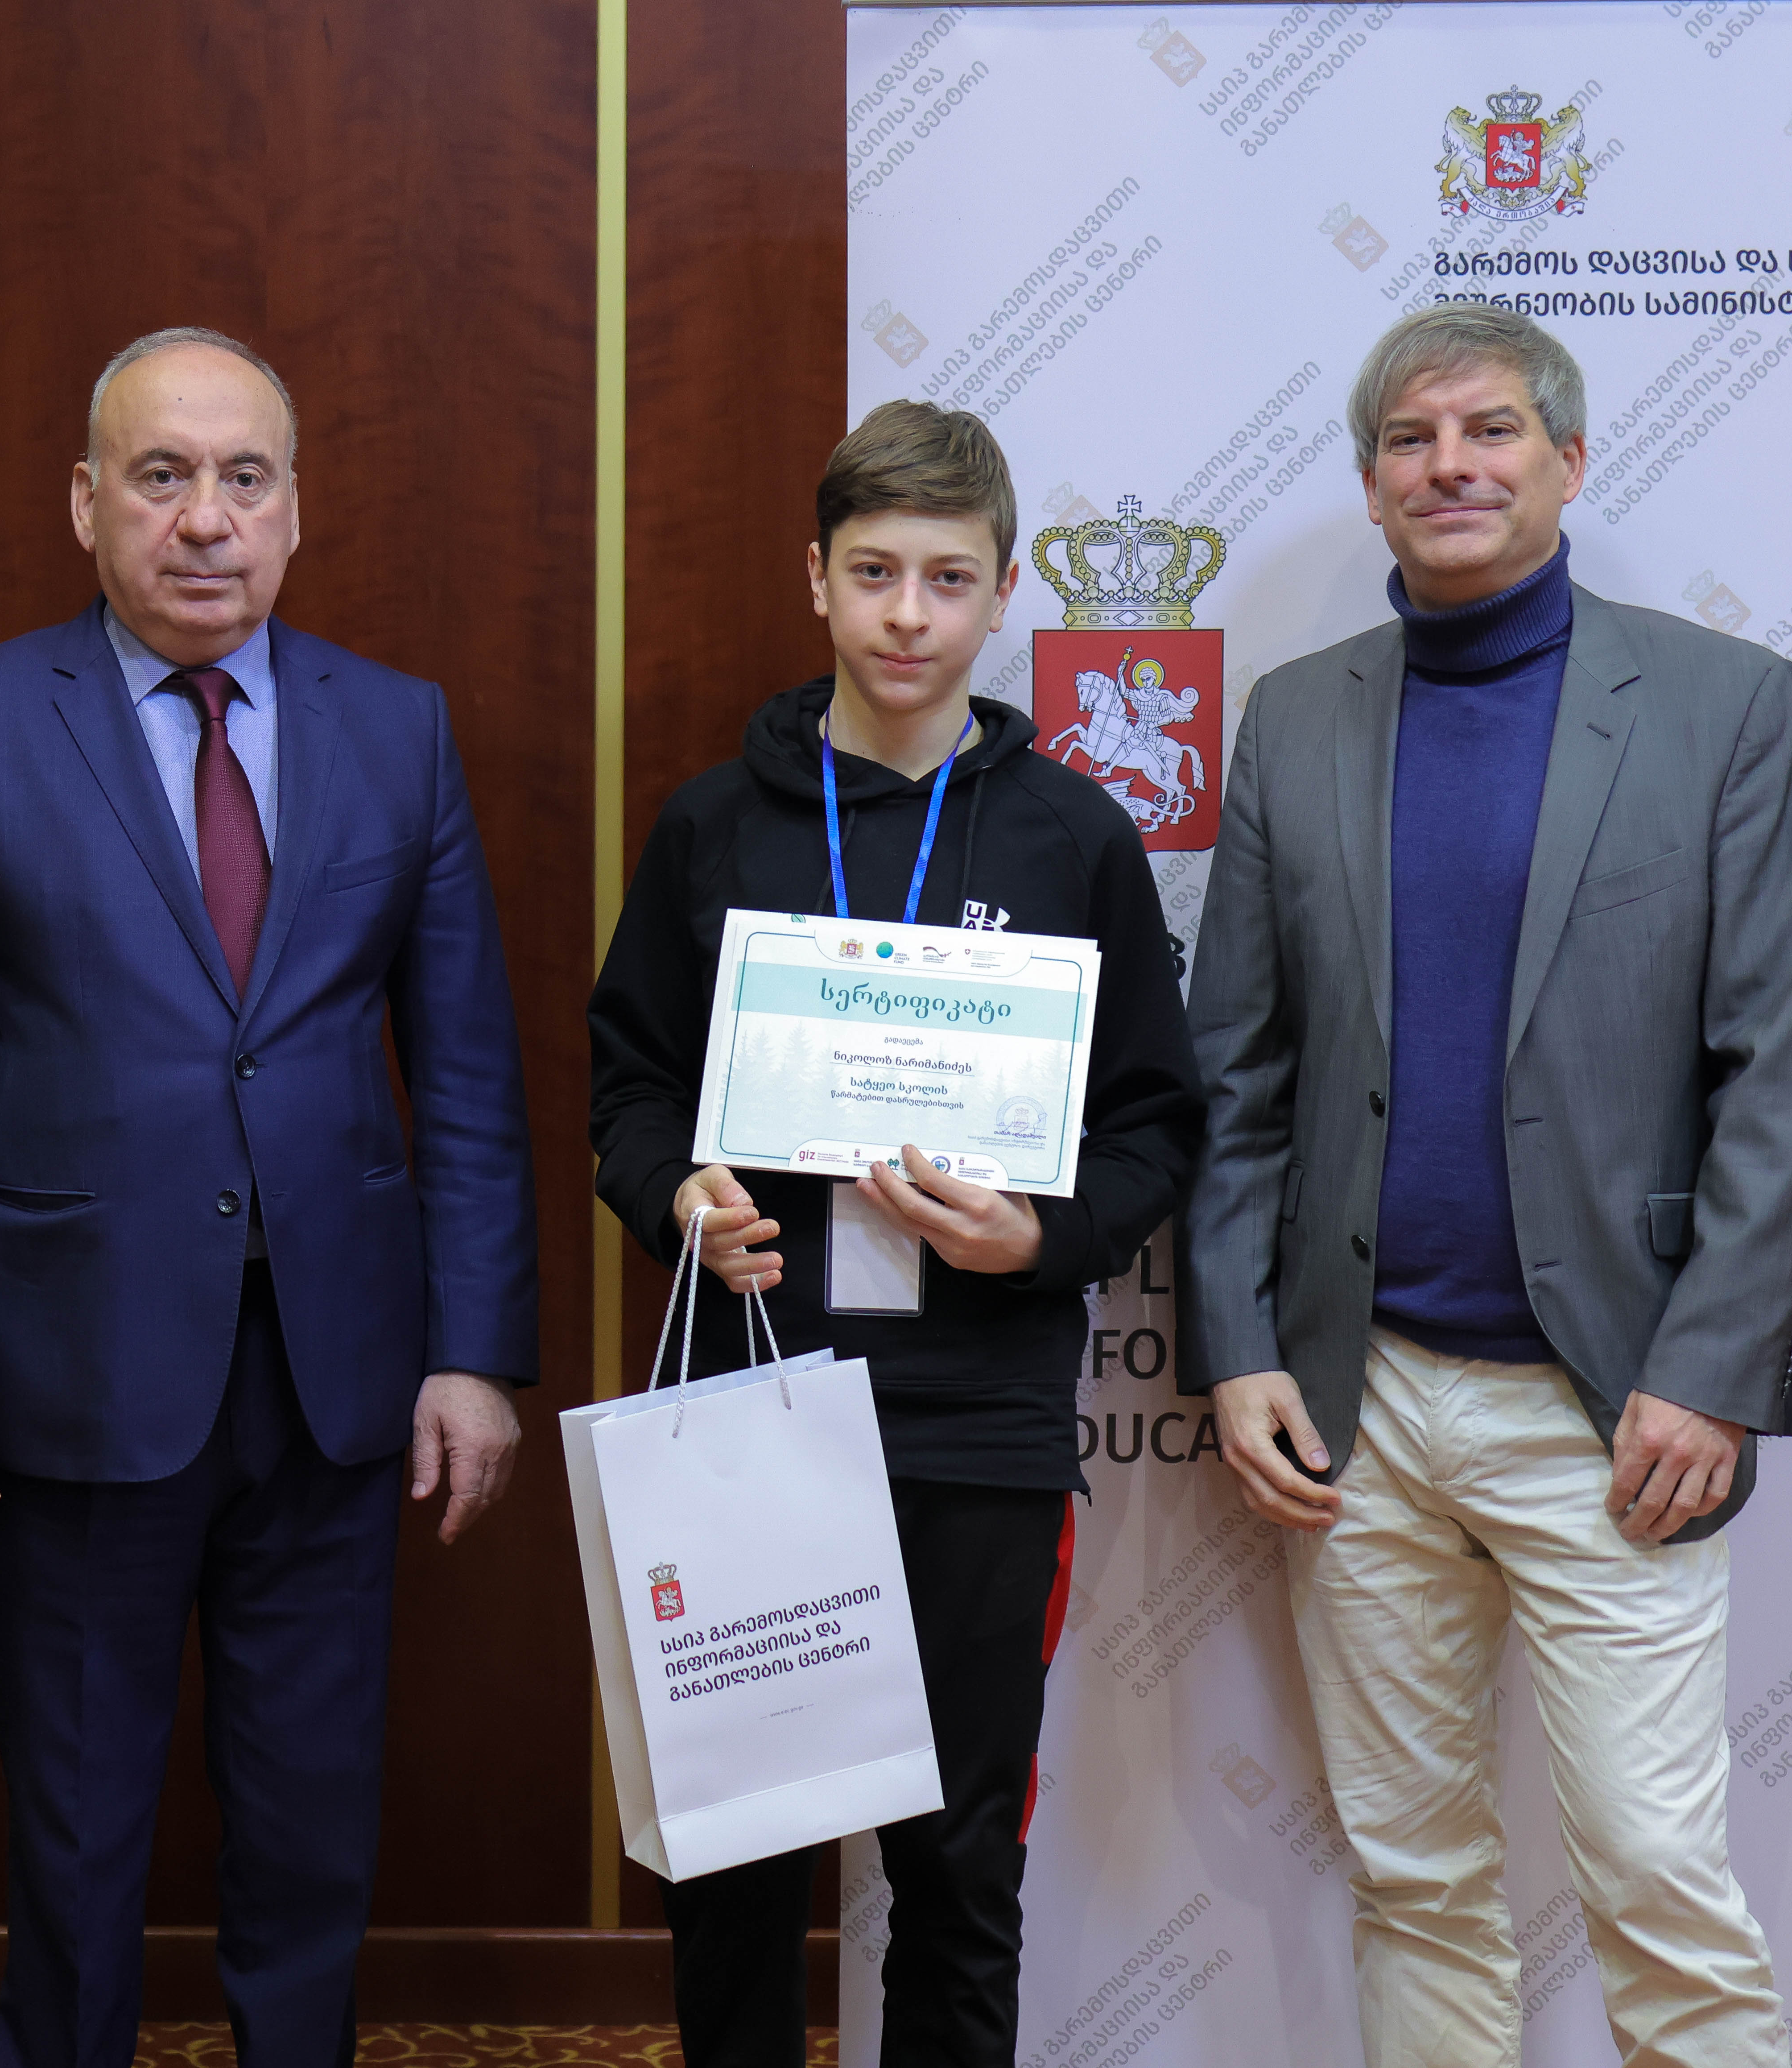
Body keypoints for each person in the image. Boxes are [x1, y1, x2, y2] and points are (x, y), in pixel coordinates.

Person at [0, 327, 541, 2065]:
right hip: (69, 1378)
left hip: (332, 1379)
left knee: (310, 1827)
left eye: (243, 478)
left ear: (296, 508)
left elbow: (464, 1069)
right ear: (87, 504)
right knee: (75, 1843)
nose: (204, 519)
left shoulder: (396, 728)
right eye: (161, 477)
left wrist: (474, 1354)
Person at [1181, 305, 1792, 2065]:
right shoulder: (1292, 720)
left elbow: (1775, 1069)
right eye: (1408, 439)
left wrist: (1709, 1369)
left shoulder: (1722, 706)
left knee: (1656, 1879)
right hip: (1360, 1405)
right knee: (1413, 1878)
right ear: (1369, 484)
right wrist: (1236, 1346)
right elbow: (1235, 1072)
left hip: (1613, 1405)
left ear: (1567, 460)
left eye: (1487, 431)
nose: (1448, 465)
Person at [589, 398, 1204, 2066]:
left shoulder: (1073, 834)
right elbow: (629, 1085)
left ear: (1003, 591)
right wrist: (677, 1195)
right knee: (735, 1864)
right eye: (872, 572)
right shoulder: (714, 824)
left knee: (957, 1862)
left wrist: (1037, 1238)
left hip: (979, 1416)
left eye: (946, 577)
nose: (907, 615)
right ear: (815, 578)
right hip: (755, 1397)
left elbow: (1155, 1124)